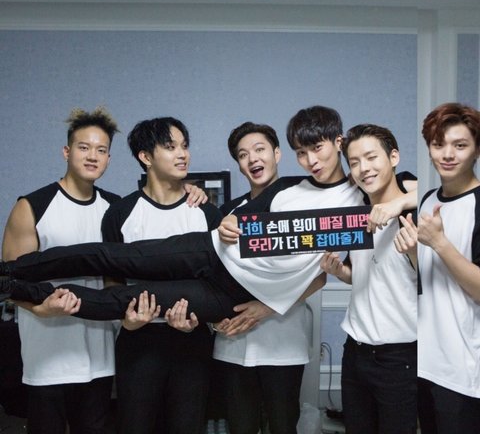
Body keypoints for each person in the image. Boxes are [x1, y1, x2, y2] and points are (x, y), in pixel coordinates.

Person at [0, 106, 416, 325]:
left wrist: (395, 204)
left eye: (318, 150)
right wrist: (229, 223)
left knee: (124, 299)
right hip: (211, 251)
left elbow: (417, 189)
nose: (311, 160)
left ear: (338, 144)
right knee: (111, 256)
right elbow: (238, 217)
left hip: (228, 295)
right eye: (302, 153)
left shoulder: (364, 196)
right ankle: (9, 273)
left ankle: (20, 290)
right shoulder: (290, 186)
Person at [1, 107, 120, 434]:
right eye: (84, 147)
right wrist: (40, 307)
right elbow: (8, 280)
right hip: (47, 358)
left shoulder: (116, 209)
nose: (92, 156)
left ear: (109, 159)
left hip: (100, 358)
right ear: (67, 152)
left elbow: (118, 279)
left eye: (101, 150)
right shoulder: (32, 206)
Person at [104, 117, 221, 434]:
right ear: (146, 156)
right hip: (138, 341)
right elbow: (112, 281)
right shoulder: (120, 214)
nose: (183, 154)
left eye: (184, 146)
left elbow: (218, 282)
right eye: (170, 147)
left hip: (192, 340)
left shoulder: (207, 213)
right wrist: (126, 321)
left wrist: (201, 320)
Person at [213, 122, 313, 434]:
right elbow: (215, 274)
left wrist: (266, 307)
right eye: (243, 155)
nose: (253, 159)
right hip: (233, 342)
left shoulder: (302, 203)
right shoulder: (228, 213)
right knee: (240, 426)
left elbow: (318, 276)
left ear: (277, 153)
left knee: (283, 426)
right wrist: (213, 318)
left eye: (260, 150)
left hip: (283, 341)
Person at [320, 124, 417, 434]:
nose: (364, 168)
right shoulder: (357, 215)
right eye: (355, 162)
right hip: (355, 351)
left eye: (372, 157)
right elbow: (366, 275)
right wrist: (340, 272)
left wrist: (401, 208)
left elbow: (431, 280)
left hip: (399, 357)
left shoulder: (417, 212)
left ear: (394, 157)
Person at [417, 102, 480, 433]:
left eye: (460, 145)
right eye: (438, 144)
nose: (448, 154)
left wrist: (440, 243)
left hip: (464, 369)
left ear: (477, 150)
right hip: (425, 362)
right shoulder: (428, 200)